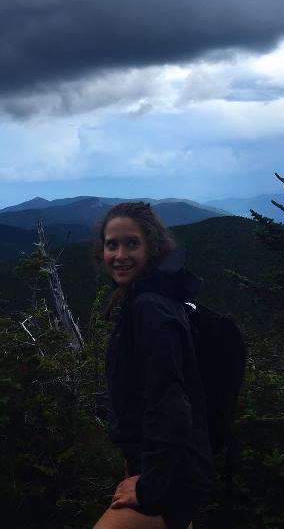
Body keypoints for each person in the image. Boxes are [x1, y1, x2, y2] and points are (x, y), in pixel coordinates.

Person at [93, 202, 215, 529]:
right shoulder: (150, 298)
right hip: (170, 470)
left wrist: (148, 488)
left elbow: (169, 408)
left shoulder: (150, 309)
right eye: (112, 245)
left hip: (169, 480)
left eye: (132, 243)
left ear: (152, 247)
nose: (120, 255)